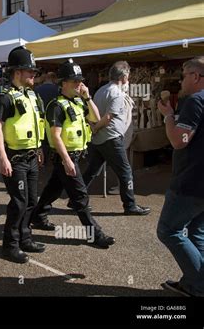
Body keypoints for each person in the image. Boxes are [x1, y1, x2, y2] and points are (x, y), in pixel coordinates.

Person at [31, 59, 115, 249]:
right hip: (65, 157)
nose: (79, 84)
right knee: (80, 196)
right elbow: (56, 136)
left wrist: (87, 97)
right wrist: (67, 161)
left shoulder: (78, 102)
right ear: (63, 83)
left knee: (52, 189)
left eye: (80, 80)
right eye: (74, 81)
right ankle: (95, 234)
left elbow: (95, 117)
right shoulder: (56, 106)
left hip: (75, 156)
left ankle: (37, 215)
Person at [0, 46, 46, 263]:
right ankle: (10, 246)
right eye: (29, 70)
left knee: (32, 200)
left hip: (31, 156)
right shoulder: (6, 99)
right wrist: (2, 157)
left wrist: (39, 148)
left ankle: (25, 238)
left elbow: (37, 124)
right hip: (14, 159)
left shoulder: (32, 96)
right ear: (17, 72)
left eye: (33, 71)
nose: (33, 74)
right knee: (19, 201)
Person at [156, 57, 204, 297]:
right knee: (196, 232)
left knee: (169, 230)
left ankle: (199, 283)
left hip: (191, 182)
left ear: (196, 77)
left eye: (184, 75)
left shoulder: (196, 101)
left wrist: (168, 117)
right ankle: (192, 284)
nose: (180, 81)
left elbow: (179, 141)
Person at [82, 61, 150, 215]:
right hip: (110, 137)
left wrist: (94, 129)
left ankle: (76, 199)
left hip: (100, 138)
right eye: (129, 75)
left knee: (92, 170)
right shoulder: (117, 93)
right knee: (125, 172)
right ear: (124, 76)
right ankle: (130, 206)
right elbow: (107, 117)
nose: (129, 78)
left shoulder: (101, 90)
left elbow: (93, 112)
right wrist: (95, 128)